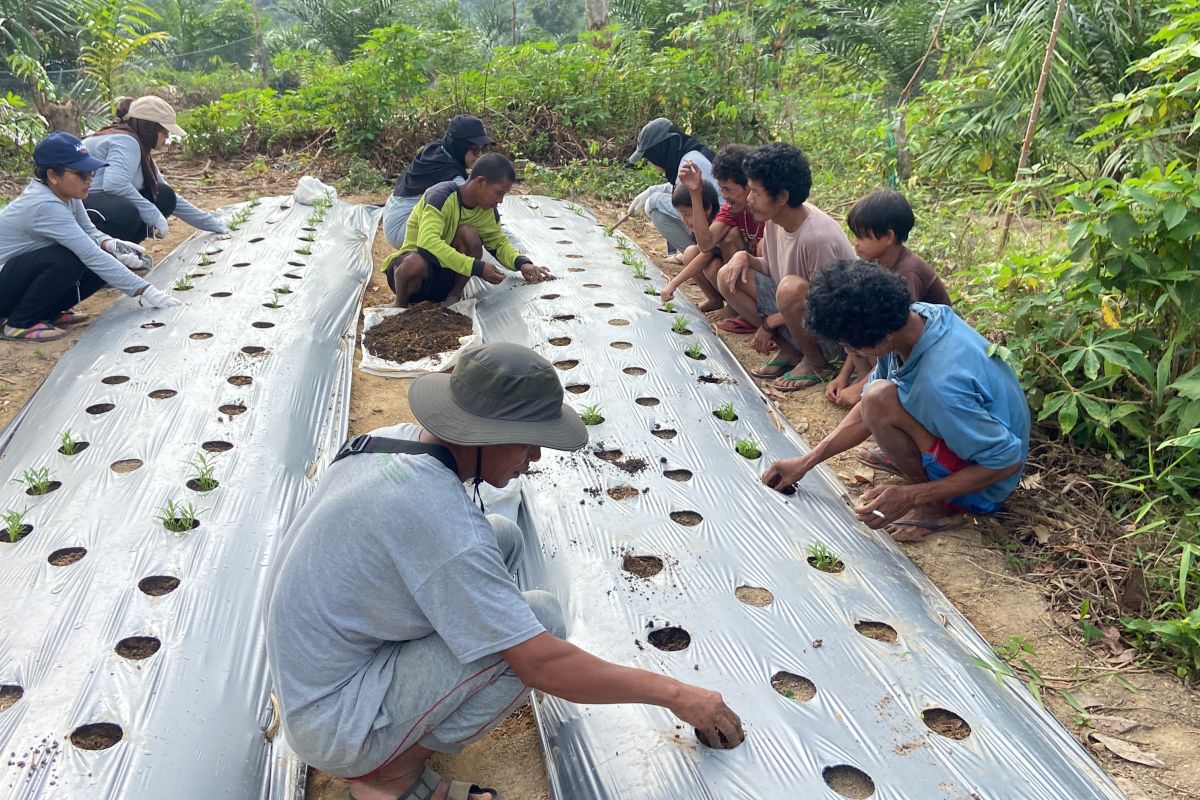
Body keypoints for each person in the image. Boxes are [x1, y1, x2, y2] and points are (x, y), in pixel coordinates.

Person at [265, 342, 744, 800]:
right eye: (528, 444)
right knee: (541, 624)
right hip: (337, 721)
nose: (534, 459)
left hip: (317, 673)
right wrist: (677, 694)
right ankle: (388, 775)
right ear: (484, 435)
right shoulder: (437, 520)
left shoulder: (391, 440)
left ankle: (406, 728)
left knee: (505, 535)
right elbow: (542, 663)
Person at [762, 260, 1029, 542]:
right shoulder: (914, 319)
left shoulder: (940, 384)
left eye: (850, 346)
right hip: (965, 435)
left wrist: (912, 495)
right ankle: (917, 461)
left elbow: (1006, 462)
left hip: (986, 487)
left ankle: (938, 508)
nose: (849, 350)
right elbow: (868, 403)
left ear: (882, 338)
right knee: (877, 394)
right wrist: (806, 462)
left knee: (880, 397)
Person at [0, 132, 181, 341]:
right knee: (66, 259)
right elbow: (91, 254)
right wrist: (145, 290)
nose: (89, 179)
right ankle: (20, 322)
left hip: (13, 279)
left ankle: (46, 312)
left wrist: (111, 244)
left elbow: (91, 232)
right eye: (81, 174)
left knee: (97, 257)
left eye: (91, 172)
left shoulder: (66, 194)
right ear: (52, 176)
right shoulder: (44, 205)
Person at [717, 143, 854, 390]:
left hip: (835, 335)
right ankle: (790, 350)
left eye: (756, 192)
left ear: (781, 197)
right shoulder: (773, 220)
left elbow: (825, 305)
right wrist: (743, 258)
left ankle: (816, 361)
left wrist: (770, 323)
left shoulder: (817, 236)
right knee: (728, 275)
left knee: (790, 289)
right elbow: (771, 268)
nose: (749, 199)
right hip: (797, 314)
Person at [826, 189, 953, 409]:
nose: (855, 243)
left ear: (888, 237)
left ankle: (877, 391)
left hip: (928, 352)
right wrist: (843, 375)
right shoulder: (876, 264)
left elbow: (896, 337)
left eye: (861, 236)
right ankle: (867, 380)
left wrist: (861, 389)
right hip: (892, 349)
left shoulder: (907, 274)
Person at [382, 153, 551, 308]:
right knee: (414, 262)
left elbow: (498, 242)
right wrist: (477, 267)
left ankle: (454, 295)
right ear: (480, 181)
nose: (500, 200)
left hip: (444, 282)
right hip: (411, 277)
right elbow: (427, 243)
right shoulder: (440, 196)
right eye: (498, 193)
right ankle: (400, 304)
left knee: (469, 233)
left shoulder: (487, 211)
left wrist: (522, 263)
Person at [82, 96, 229, 243]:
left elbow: (164, 191)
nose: (167, 137)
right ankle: (109, 254)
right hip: (83, 206)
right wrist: (153, 214)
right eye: (164, 131)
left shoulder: (137, 145)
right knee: (127, 212)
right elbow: (114, 185)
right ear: (149, 127)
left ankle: (127, 249)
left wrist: (209, 222)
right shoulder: (125, 141)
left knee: (165, 195)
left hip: (102, 205)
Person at [660, 144, 765, 318]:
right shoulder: (732, 210)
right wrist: (695, 191)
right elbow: (705, 245)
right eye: (721, 189)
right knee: (694, 253)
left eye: (728, 190)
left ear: (750, 186)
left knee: (729, 237)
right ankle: (736, 305)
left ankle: (747, 312)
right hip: (745, 277)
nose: (724, 196)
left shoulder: (769, 213)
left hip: (766, 282)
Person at [382, 115, 496, 248]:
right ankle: (441, 265)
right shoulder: (452, 177)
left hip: (392, 214)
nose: (480, 156)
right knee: (468, 230)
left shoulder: (437, 150)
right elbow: (484, 220)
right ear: (460, 146)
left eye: (484, 149)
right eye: (475, 150)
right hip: (402, 229)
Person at [626, 117, 718, 259]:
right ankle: (693, 254)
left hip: (717, 230)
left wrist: (654, 199)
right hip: (714, 226)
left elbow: (690, 203)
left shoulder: (689, 162)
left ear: (661, 151)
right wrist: (652, 190)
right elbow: (681, 188)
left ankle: (698, 256)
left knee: (657, 210)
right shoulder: (691, 155)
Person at [656, 180, 722, 309]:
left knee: (713, 267)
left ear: (707, 209)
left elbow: (705, 256)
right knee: (690, 252)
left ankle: (733, 307)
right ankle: (714, 299)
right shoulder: (702, 226)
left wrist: (673, 284)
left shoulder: (718, 224)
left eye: (686, 214)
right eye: (681, 214)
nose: (683, 219)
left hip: (730, 275)